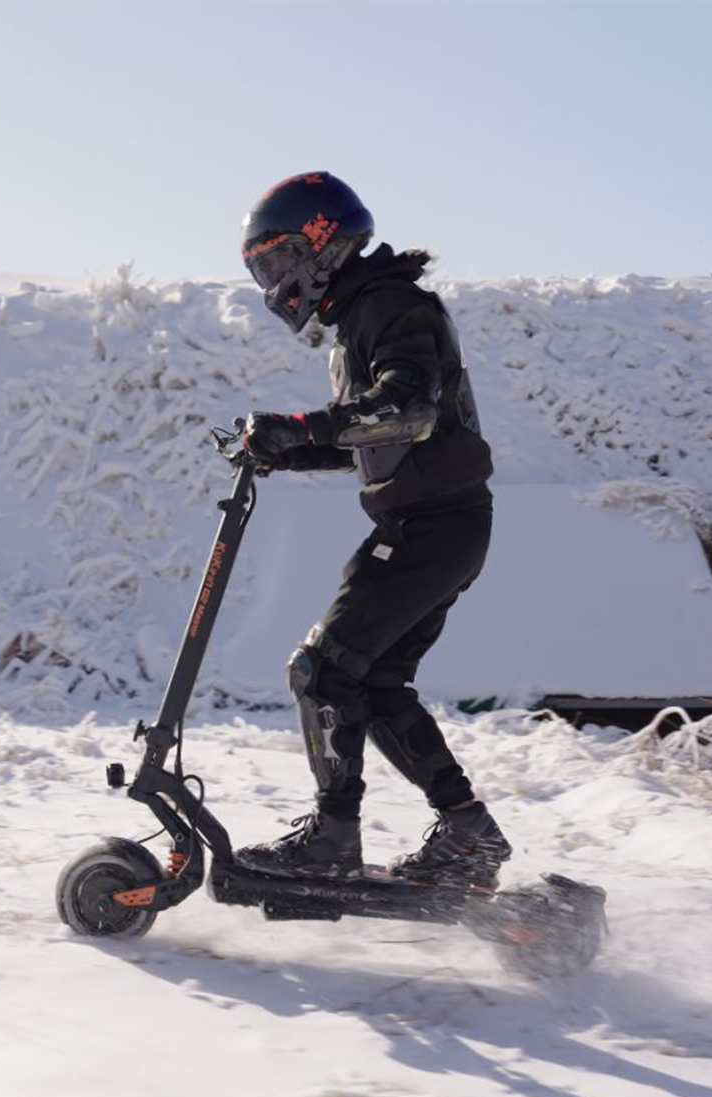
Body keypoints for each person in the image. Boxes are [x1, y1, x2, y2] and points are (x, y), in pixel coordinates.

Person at [235, 171, 512, 888]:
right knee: (377, 681)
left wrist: (299, 428)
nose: (271, 281)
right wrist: (286, 449)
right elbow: (376, 434)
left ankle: (332, 840)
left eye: (273, 261)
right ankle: (468, 835)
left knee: (322, 671)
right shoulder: (362, 315)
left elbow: (408, 410)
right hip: (436, 523)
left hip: (431, 525)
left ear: (317, 243)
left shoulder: (390, 306)